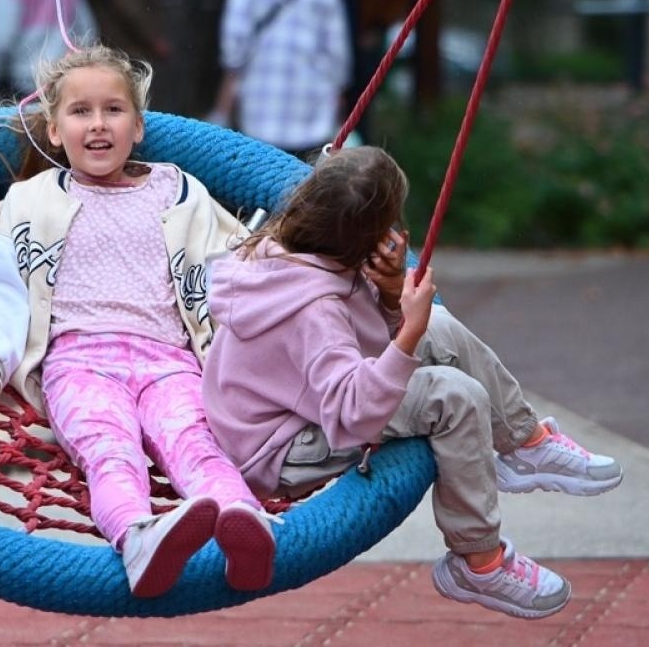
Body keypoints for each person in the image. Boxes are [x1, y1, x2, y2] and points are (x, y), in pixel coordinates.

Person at [201, 146, 622, 621]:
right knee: (454, 396)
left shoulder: (301, 249)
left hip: (303, 397)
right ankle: (477, 561)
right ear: (364, 239)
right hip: (279, 445)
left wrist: (388, 296)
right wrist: (408, 334)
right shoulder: (312, 309)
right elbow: (352, 413)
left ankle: (525, 442)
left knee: (441, 329)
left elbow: (356, 339)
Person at [0, 45, 275, 598]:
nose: (98, 125)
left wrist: (288, 270)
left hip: (171, 359)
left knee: (196, 440)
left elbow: (231, 264)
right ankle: (138, 535)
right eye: (80, 112)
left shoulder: (180, 191)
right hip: (80, 364)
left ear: (138, 127)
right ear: (53, 130)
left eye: (114, 110)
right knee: (109, 447)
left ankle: (244, 525)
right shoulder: (28, 203)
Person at [210, 0, 351, 156]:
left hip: (259, 112)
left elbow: (234, 47)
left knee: (262, 185)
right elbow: (337, 55)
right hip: (313, 113)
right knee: (307, 185)